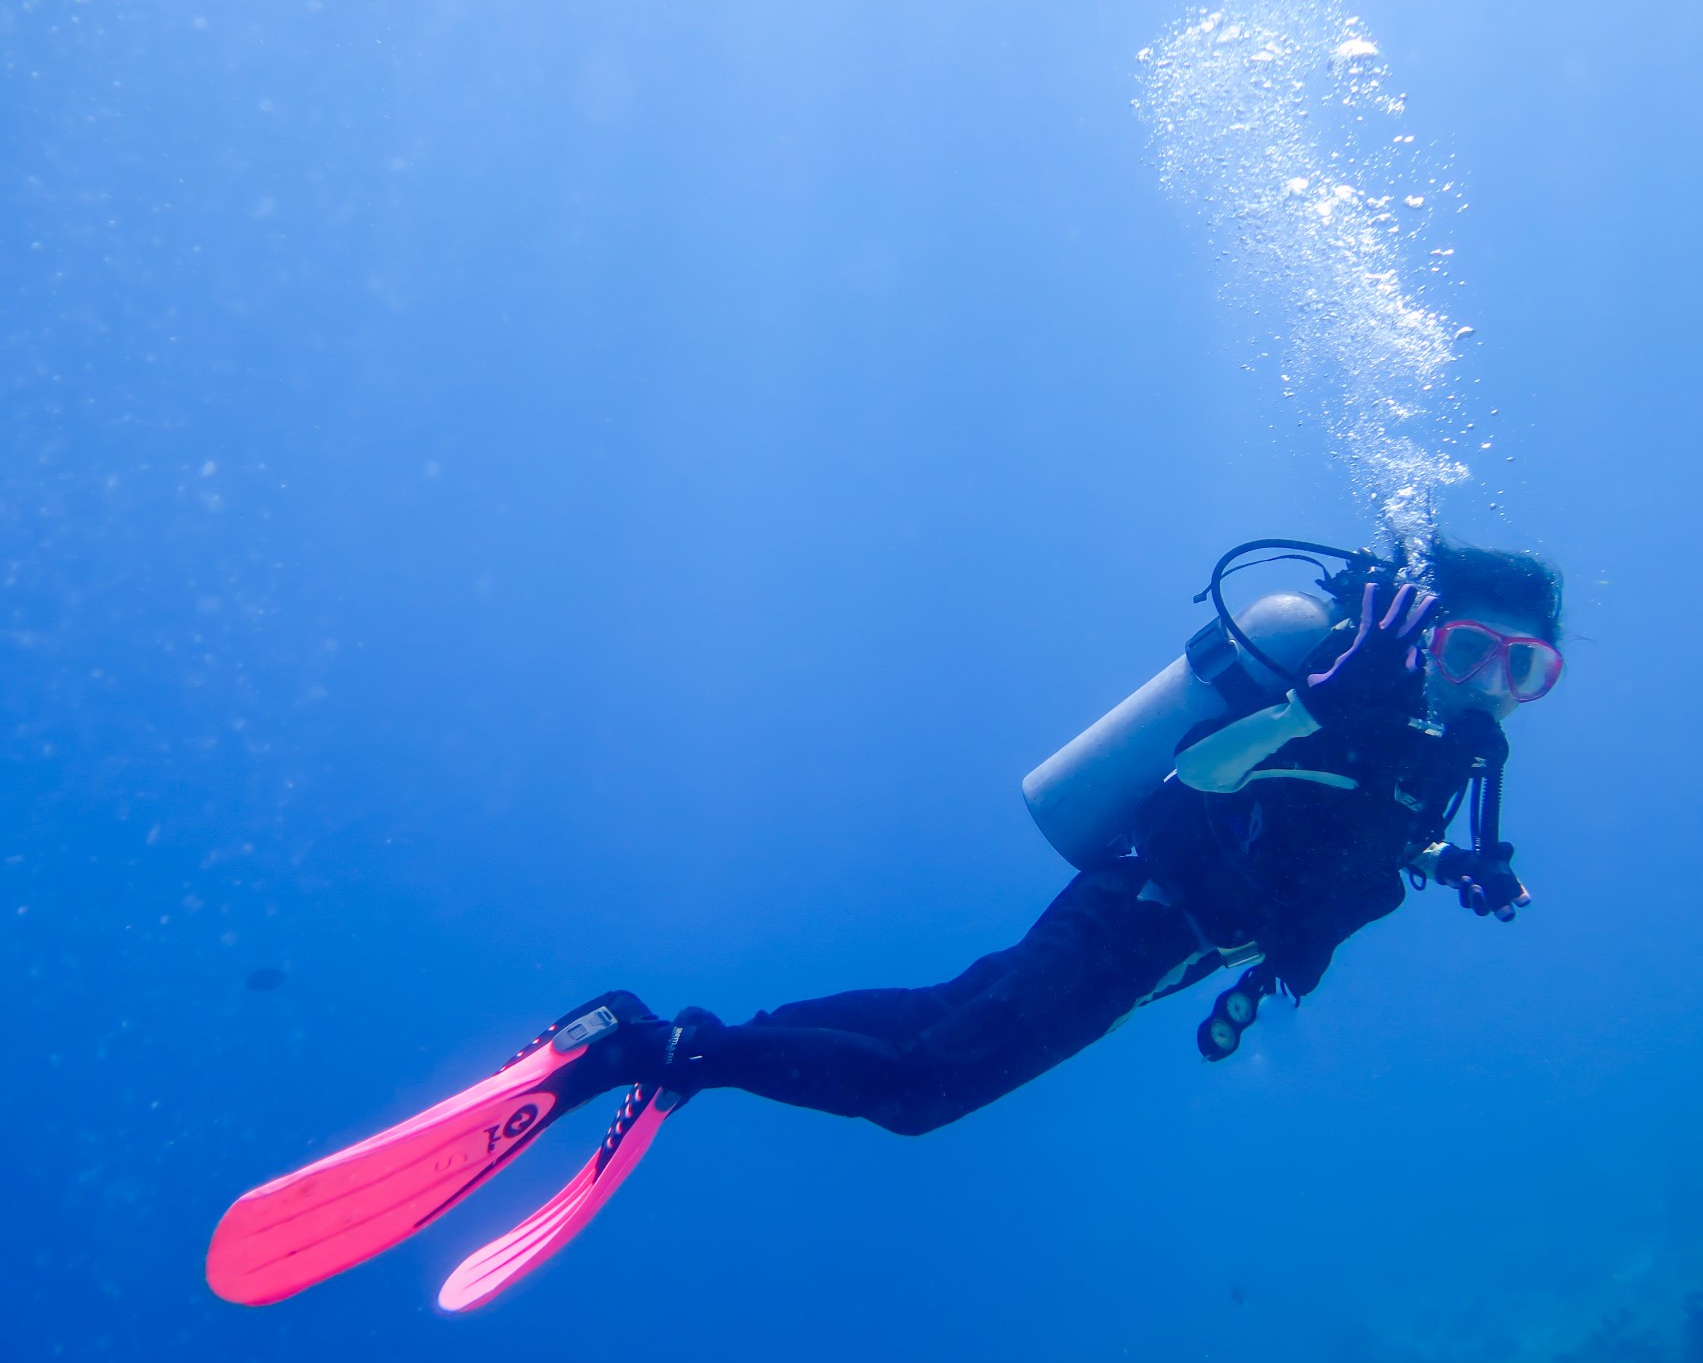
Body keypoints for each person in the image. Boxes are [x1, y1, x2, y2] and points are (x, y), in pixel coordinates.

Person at [206, 534, 1565, 1311]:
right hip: (1136, 916)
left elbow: (1354, 831)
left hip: (1168, 950)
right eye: (1472, 652)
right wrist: (1319, 710)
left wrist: (1453, 865)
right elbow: (1200, 779)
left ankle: (680, 1045)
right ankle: (644, 1051)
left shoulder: (1451, 745)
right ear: (1427, 631)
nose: (1493, 685)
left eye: (1526, 670)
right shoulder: (1350, 687)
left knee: (933, 1031)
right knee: (924, 1086)